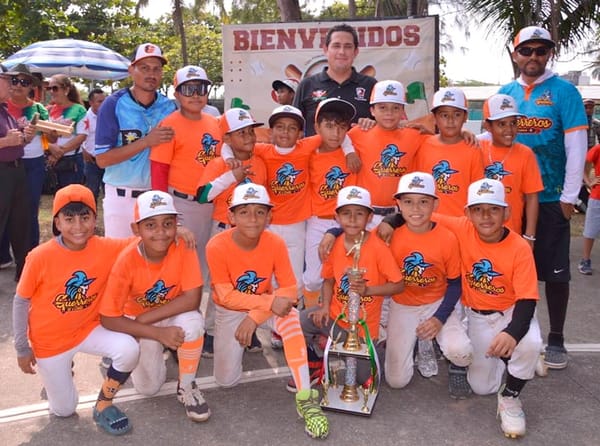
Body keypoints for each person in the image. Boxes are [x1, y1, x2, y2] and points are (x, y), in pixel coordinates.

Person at [205, 182, 330, 439]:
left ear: (269, 216)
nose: (252, 219)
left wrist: (255, 317)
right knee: (226, 381)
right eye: (244, 212)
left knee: (291, 317)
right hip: (231, 309)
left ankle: (305, 397)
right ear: (231, 216)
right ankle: (240, 346)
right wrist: (267, 304)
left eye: (260, 212)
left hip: (261, 306)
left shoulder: (275, 242)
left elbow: (288, 289)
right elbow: (226, 295)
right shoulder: (216, 245)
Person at [12, 184, 139, 435]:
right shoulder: (39, 257)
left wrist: (180, 231)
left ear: (95, 219)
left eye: (85, 217)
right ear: (57, 222)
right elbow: (20, 301)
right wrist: (21, 348)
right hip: (50, 342)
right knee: (64, 410)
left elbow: (146, 240)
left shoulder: (105, 247)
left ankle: (103, 404)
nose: (78, 226)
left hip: (88, 329)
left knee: (129, 349)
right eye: (69, 219)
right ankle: (59, 373)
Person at [499, 26, 588, 369]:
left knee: (554, 273)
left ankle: (556, 339)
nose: (533, 56)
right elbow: (490, 138)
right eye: (527, 50)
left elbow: (576, 145)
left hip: (551, 198)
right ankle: (514, 332)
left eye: (541, 50)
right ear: (515, 53)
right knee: (511, 271)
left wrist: (569, 196)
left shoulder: (565, 91)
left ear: (550, 53)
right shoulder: (507, 92)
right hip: (512, 199)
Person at [99, 190, 210, 422]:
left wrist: (147, 323)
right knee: (149, 388)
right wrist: (156, 333)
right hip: (141, 322)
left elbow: (192, 299)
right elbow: (108, 318)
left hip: (168, 313)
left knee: (193, 323)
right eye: (150, 225)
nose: (160, 232)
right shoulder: (126, 261)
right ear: (135, 229)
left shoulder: (183, 245)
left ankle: (187, 385)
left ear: (176, 225)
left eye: (168, 224)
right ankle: (167, 347)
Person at [296, 185, 403, 392]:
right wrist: (325, 307)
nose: (352, 219)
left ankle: (376, 349)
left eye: (359, 213)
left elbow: (398, 285)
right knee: (299, 321)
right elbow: (328, 279)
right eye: (346, 213)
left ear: (370, 217)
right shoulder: (334, 243)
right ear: (337, 217)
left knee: (365, 382)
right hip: (336, 317)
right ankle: (314, 363)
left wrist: (368, 291)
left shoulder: (378, 248)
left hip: (363, 327)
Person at [385, 172, 472, 398]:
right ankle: (420, 343)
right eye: (408, 202)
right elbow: (357, 239)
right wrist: (331, 232)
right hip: (403, 304)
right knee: (396, 381)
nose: (416, 209)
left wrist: (439, 318)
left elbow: (455, 284)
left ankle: (431, 341)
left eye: (423, 201)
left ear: (435, 204)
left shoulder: (447, 238)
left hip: (437, 302)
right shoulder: (389, 235)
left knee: (460, 352)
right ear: (398, 205)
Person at [195, 107, 267, 356]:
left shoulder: (259, 161)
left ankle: (248, 327)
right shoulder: (218, 164)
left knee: (251, 280)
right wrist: (230, 176)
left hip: (254, 232)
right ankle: (211, 332)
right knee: (221, 283)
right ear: (226, 138)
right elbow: (202, 195)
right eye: (240, 133)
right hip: (225, 231)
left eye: (250, 131)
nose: (248, 137)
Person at [150, 65, 221, 288]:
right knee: (179, 263)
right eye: (188, 90)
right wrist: (166, 213)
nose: (196, 95)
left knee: (204, 265)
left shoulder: (214, 122)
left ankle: (196, 317)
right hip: (181, 203)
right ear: (177, 94)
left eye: (201, 89)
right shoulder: (169, 124)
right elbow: (159, 171)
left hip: (211, 203)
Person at [96, 43, 176, 238]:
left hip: (158, 197)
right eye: (144, 68)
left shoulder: (169, 107)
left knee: (154, 262)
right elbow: (102, 159)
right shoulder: (113, 104)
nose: (151, 74)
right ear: (131, 69)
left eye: (156, 68)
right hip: (121, 196)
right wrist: (146, 142)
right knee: (119, 258)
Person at [348, 80, 428, 226]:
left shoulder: (414, 135)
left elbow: (444, 142)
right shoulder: (358, 133)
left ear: (403, 111)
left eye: (396, 108)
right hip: (365, 214)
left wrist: (464, 132)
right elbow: (333, 141)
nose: (389, 113)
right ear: (372, 110)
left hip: (399, 215)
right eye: (382, 107)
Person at [303, 98, 357, 308]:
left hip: (349, 222)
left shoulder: (353, 150)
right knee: (314, 277)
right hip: (318, 221)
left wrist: (350, 149)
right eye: (329, 126)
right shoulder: (308, 154)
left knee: (343, 275)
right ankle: (310, 321)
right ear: (316, 127)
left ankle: (336, 321)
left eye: (342, 127)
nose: (336, 133)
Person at [0, 64, 47, 267]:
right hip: (4, 172)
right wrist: (5, 142)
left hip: (17, 170)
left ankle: (25, 269)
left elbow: (14, 140)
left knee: (21, 222)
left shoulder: (5, 110)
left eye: (17, 81)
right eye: (8, 80)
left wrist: (24, 138)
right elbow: (6, 142)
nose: (13, 85)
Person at [293, 23, 377, 136]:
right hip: (316, 153)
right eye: (336, 46)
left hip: (357, 153)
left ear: (356, 52)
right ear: (326, 49)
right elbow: (294, 127)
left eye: (348, 46)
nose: (342, 52)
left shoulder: (371, 85)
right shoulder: (307, 85)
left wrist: (374, 124)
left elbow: (385, 125)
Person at [480, 93, 543, 236]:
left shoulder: (525, 154)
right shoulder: (476, 148)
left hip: (510, 233)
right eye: (501, 124)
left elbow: (532, 197)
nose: (509, 129)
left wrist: (529, 235)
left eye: (513, 123)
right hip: (477, 232)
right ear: (488, 126)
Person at [414, 87, 484, 216]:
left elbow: (477, 193)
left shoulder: (472, 148)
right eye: (444, 115)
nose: (450, 120)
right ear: (434, 117)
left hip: (461, 224)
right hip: (428, 223)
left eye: (457, 114)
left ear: (465, 117)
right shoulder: (422, 144)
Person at [44, 74, 87, 189]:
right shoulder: (47, 110)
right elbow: (42, 135)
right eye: (49, 88)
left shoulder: (79, 110)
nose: (51, 92)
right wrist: (50, 147)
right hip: (52, 160)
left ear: (66, 90)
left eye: (55, 88)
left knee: (72, 199)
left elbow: (82, 136)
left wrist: (60, 152)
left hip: (72, 161)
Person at [77, 88, 106, 201]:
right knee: (91, 192)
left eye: (104, 101)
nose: (103, 104)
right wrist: (83, 151)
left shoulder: (109, 116)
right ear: (91, 103)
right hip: (91, 161)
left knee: (108, 192)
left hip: (107, 160)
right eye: (99, 101)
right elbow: (78, 136)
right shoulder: (84, 117)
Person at [578, 143, 600, 275]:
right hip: (597, 196)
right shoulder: (597, 148)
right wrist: (589, 182)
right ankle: (585, 260)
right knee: (590, 230)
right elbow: (584, 166)